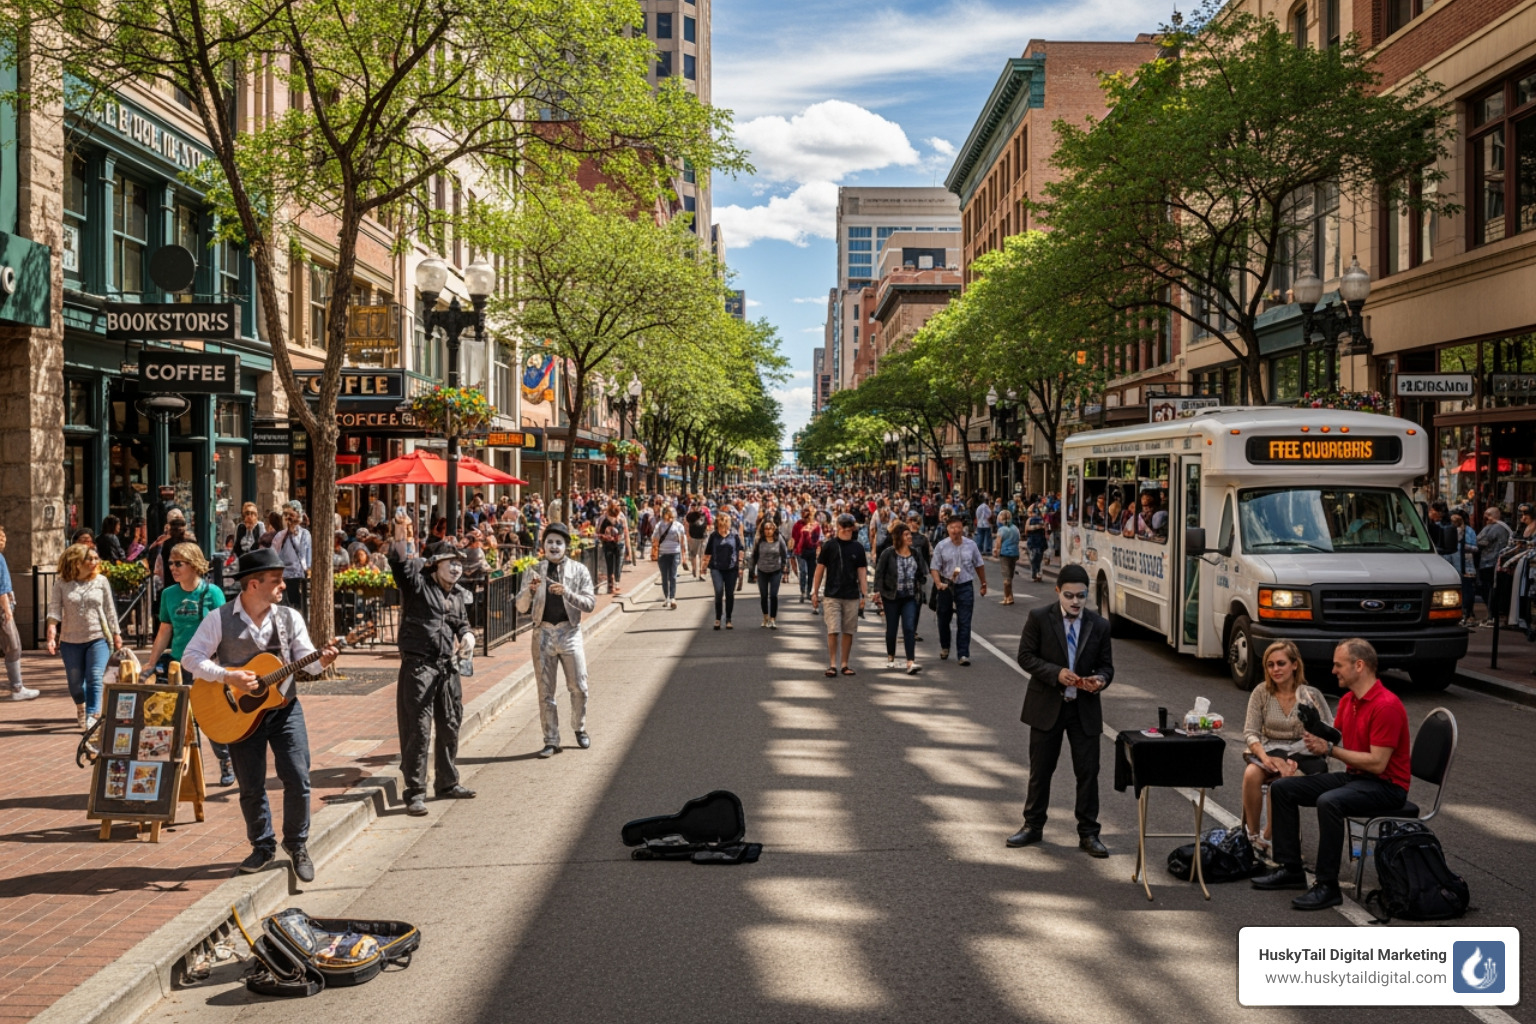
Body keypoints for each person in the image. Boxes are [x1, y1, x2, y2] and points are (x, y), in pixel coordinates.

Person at [183, 548, 339, 881]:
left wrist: (322, 660)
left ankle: (296, 845)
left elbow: (306, 661)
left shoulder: (289, 618)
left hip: (284, 709)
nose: (283, 586)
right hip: (238, 714)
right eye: (277, 580)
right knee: (251, 786)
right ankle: (263, 846)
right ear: (253, 584)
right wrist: (229, 676)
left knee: (298, 778)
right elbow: (191, 658)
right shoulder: (219, 618)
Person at [1253, 638, 1411, 910]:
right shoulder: (1351, 700)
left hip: (1386, 786)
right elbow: (1336, 739)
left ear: (1358, 666)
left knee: (1330, 802)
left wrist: (1328, 749)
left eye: (1338, 665)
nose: (1333, 670)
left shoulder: (1386, 706)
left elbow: (1377, 763)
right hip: (1358, 779)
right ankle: (1291, 869)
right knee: (1283, 789)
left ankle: (1328, 886)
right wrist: (1312, 733)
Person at [1011, 564, 1113, 857]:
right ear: (1058, 592)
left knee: (1088, 772)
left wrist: (1100, 679)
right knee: (1041, 770)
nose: (1075, 602)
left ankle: (1089, 833)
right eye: (1069, 595)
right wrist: (1055, 673)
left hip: (1084, 709)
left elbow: (1107, 666)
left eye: (1081, 596)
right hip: (1046, 705)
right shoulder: (1040, 618)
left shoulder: (1100, 625)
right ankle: (1032, 826)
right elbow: (1025, 656)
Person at [389, 539, 477, 816]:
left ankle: (447, 782)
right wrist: (401, 536)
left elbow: (460, 622)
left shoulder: (457, 595)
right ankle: (415, 792)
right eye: (450, 561)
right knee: (419, 729)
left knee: (451, 722)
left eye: (459, 562)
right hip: (419, 668)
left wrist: (467, 635)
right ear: (435, 564)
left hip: (446, 666)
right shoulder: (418, 586)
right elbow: (398, 562)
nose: (456, 567)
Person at [147, 542, 234, 785]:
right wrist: (151, 662)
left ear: (194, 565)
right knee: (176, 719)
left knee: (209, 717)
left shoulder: (213, 593)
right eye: (171, 563)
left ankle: (225, 760)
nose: (173, 568)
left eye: (178, 563)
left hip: (206, 665)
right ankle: (182, 771)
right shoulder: (168, 594)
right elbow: (165, 630)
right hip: (178, 665)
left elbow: (225, 629)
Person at [1240, 640, 1334, 854]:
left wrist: (1295, 758)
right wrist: (1265, 759)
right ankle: (1252, 835)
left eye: (1281, 663)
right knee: (1251, 773)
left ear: (1294, 665)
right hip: (1270, 749)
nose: (1275, 669)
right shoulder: (1261, 692)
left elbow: (1328, 732)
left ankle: (1269, 836)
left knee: (1284, 783)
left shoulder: (1311, 695)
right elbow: (1250, 733)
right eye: (1270, 665)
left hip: (1305, 752)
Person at [515, 523, 597, 758]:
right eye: (549, 541)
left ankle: (579, 728)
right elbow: (521, 607)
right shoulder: (533, 571)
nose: (553, 546)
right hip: (542, 634)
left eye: (558, 542)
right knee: (545, 692)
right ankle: (551, 740)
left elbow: (590, 604)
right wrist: (529, 591)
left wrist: (567, 593)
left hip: (569, 633)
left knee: (579, 686)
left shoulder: (579, 570)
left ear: (566, 546)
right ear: (543, 546)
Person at [47, 544, 124, 731]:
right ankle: (81, 705)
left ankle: (92, 715)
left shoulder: (101, 581)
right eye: (89, 559)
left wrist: (116, 633)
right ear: (76, 562)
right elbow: (55, 609)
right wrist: (51, 633)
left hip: (98, 637)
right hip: (70, 641)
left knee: (95, 677)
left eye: (96, 559)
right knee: (75, 684)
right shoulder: (61, 584)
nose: (94, 562)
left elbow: (109, 610)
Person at [811, 513, 869, 677]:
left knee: (848, 631)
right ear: (837, 527)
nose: (845, 529)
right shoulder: (829, 546)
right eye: (842, 526)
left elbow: (862, 572)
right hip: (832, 594)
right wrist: (814, 593)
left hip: (851, 594)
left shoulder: (857, 548)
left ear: (852, 528)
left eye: (848, 526)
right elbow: (820, 569)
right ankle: (832, 664)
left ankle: (844, 664)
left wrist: (864, 595)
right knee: (833, 629)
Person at [930, 516, 987, 665]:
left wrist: (983, 583)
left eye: (958, 527)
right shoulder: (941, 546)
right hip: (946, 584)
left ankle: (963, 654)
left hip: (965, 585)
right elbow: (934, 567)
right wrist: (938, 583)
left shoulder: (971, 545)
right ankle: (945, 646)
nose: (955, 531)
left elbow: (979, 564)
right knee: (943, 618)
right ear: (947, 529)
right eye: (952, 528)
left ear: (963, 528)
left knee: (965, 620)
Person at [874, 522, 928, 675]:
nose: (910, 536)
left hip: (910, 597)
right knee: (891, 630)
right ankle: (891, 657)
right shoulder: (888, 554)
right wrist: (877, 592)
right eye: (906, 534)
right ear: (898, 537)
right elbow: (879, 574)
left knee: (909, 628)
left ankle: (910, 661)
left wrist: (921, 581)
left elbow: (922, 571)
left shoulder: (916, 553)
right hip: (891, 597)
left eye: (910, 534)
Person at [0, 522, 38, 701]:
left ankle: (17, 687)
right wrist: (7, 611)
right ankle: (17, 688)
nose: (3, 538)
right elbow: (1, 589)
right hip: (2, 609)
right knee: (13, 646)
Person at [701, 511, 743, 630]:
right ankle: (718, 618)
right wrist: (703, 568)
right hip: (716, 568)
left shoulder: (734, 535)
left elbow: (740, 549)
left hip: (731, 568)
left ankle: (728, 619)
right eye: (721, 525)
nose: (723, 528)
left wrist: (740, 566)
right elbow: (708, 552)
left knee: (730, 594)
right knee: (719, 592)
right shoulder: (714, 536)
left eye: (725, 525)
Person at [271, 507, 314, 615]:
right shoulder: (280, 535)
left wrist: (308, 570)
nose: (289, 518)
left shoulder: (305, 534)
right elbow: (273, 555)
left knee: (298, 606)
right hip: (285, 575)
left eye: (292, 515)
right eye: (287, 516)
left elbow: (307, 554)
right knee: (285, 607)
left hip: (299, 575)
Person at [1475, 505, 1512, 626]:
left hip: (1490, 561)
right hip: (1493, 561)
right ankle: (1491, 614)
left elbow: (1482, 541)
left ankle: (1492, 615)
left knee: (1488, 589)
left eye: (1489, 515)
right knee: (1489, 588)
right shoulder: (1501, 527)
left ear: (1495, 516)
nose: (1486, 518)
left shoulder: (1495, 527)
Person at [751, 519, 791, 629]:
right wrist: (752, 570)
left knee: (773, 595)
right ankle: (765, 617)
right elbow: (755, 555)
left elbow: (784, 554)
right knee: (764, 596)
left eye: (770, 529)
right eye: (766, 529)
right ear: (763, 530)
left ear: (774, 529)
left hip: (776, 570)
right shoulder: (760, 541)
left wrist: (784, 567)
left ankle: (773, 619)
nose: (768, 531)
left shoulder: (779, 540)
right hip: (762, 570)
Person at [651, 505, 686, 610]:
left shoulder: (679, 526)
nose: (670, 515)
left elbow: (683, 542)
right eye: (668, 513)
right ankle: (666, 597)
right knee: (664, 576)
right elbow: (654, 538)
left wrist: (684, 556)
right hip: (663, 553)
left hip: (675, 552)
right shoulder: (659, 525)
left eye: (672, 513)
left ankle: (672, 598)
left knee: (673, 576)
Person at [792, 509, 824, 604]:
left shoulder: (816, 526)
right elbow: (794, 537)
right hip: (800, 551)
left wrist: (818, 548)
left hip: (812, 551)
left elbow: (819, 539)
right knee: (803, 571)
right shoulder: (797, 525)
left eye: (808, 516)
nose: (806, 519)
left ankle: (809, 592)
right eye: (804, 517)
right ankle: (802, 591)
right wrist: (793, 550)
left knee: (811, 573)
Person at [598, 501, 627, 595]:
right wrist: (606, 537)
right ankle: (611, 586)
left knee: (616, 565)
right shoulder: (605, 520)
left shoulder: (620, 520)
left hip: (617, 545)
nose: (614, 517)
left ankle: (615, 584)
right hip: (610, 545)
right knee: (611, 565)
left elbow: (623, 533)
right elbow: (599, 533)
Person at [994, 510, 1021, 605]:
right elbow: (1018, 540)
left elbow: (998, 542)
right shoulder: (1015, 528)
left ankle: (1006, 598)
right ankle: (1011, 596)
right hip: (1015, 554)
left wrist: (996, 551)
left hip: (1005, 554)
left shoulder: (1001, 530)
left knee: (1006, 577)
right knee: (1010, 576)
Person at [1024, 498, 1050, 582]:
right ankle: (1038, 573)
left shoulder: (1029, 520)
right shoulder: (1042, 520)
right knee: (1039, 559)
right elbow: (1046, 530)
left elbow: (1026, 530)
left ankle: (1035, 574)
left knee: (1033, 559)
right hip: (1041, 542)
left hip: (1032, 541)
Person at [684, 501, 711, 579]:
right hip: (693, 537)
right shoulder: (689, 515)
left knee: (702, 555)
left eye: (697, 505)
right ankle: (694, 568)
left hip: (703, 537)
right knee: (693, 554)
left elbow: (709, 524)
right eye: (694, 505)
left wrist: (707, 531)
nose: (695, 507)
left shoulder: (705, 514)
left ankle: (701, 573)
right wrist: (688, 536)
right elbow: (686, 526)